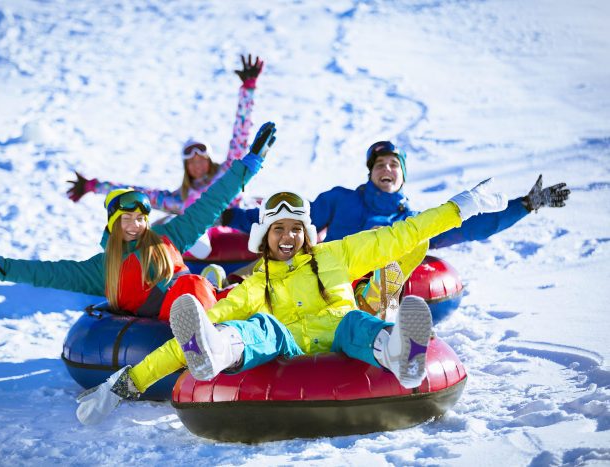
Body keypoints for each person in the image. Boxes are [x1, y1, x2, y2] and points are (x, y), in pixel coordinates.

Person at [75, 181, 507, 425]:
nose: (288, 237)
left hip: (339, 330)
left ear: (306, 232)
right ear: (265, 237)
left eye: (295, 228)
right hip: (286, 342)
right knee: (251, 329)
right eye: (278, 230)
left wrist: (460, 206)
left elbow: (402, 234)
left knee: (358, 324)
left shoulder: (336, 254)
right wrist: (125, 383)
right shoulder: (255, 284)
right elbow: (201, 322)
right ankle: (214, 354)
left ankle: (401, 354)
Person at [0, 122, 277, 320]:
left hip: (198, 301)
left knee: (199, 286)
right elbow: (45, 272)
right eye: (125, 219)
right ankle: (208, 306)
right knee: (191, 289)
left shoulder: (169, 236)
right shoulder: (103, 268)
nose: (134, 225)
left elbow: (211, 202)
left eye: (140, 219)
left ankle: (223, 294)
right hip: (170, 315)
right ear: (112, 225)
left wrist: (249, 164)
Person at [221, 141, 570, 314]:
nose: (387, 169)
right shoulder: (341, 199)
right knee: (277, 264)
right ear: (370, 172)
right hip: (325, 266)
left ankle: (377, 301)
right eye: (380, 164)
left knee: (397, 259)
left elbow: (472, 227)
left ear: (402, 177)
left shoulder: (409, 220)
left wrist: (525, 205)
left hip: (358, 281)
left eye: (394, 165)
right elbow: (292, 222)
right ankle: (222, 289)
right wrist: (228, 215)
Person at [66, 54, 264, 215]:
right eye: (191, 162)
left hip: (239, 225)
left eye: (200, 159)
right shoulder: (181, 200)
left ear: (209, 159)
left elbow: (241, 134)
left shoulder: (228, 172)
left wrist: (248, 89)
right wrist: (94, 186)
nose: (197, 165)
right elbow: (139, 194)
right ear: (186, 168)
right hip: (210, 246)